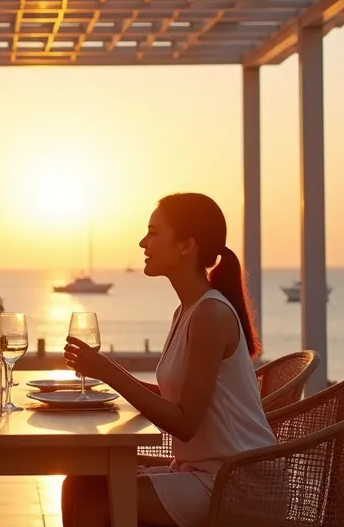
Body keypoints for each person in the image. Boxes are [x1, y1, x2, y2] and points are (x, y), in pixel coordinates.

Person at [59, 193, 278, 527]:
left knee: (94, 503)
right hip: (204, 471)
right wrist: (107, 381)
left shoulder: (210, 314)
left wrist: (107, 370)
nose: (143, 242)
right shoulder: (188, 310)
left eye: (153, 232)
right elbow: (181, 399)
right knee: (78, 481)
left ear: (185, 246)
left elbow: (184, 423)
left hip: (234, 483)